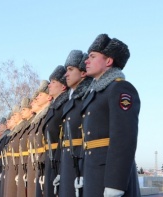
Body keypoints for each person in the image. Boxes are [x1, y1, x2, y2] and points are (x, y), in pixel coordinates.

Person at [81, 34, 140, 197]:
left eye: (92, 56)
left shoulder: (120, 89)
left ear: (108, 61)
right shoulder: (96, 94)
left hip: (110, 177)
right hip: (94, 174)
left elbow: (124, 138)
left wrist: (115, 183)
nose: (87, 61)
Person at [58, 50, 92, 197]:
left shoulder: (87, 96)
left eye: (71, 69)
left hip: (81, 163)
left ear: (83, 73)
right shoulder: (72, 100)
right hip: (69, 163)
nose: (66, 74)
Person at [43, 65, 69, 197]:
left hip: (59, 158)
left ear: (63, 86)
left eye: (53, 82)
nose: (49, 85)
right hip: (50, 157)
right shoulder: (54, 107)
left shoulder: (65, 105)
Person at [26, 81, 52, 197]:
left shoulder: (49, 114)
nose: (35, 100)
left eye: (40, 95)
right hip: (37, 161)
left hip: (47, 161)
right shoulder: (38, 119)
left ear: (49, 97)